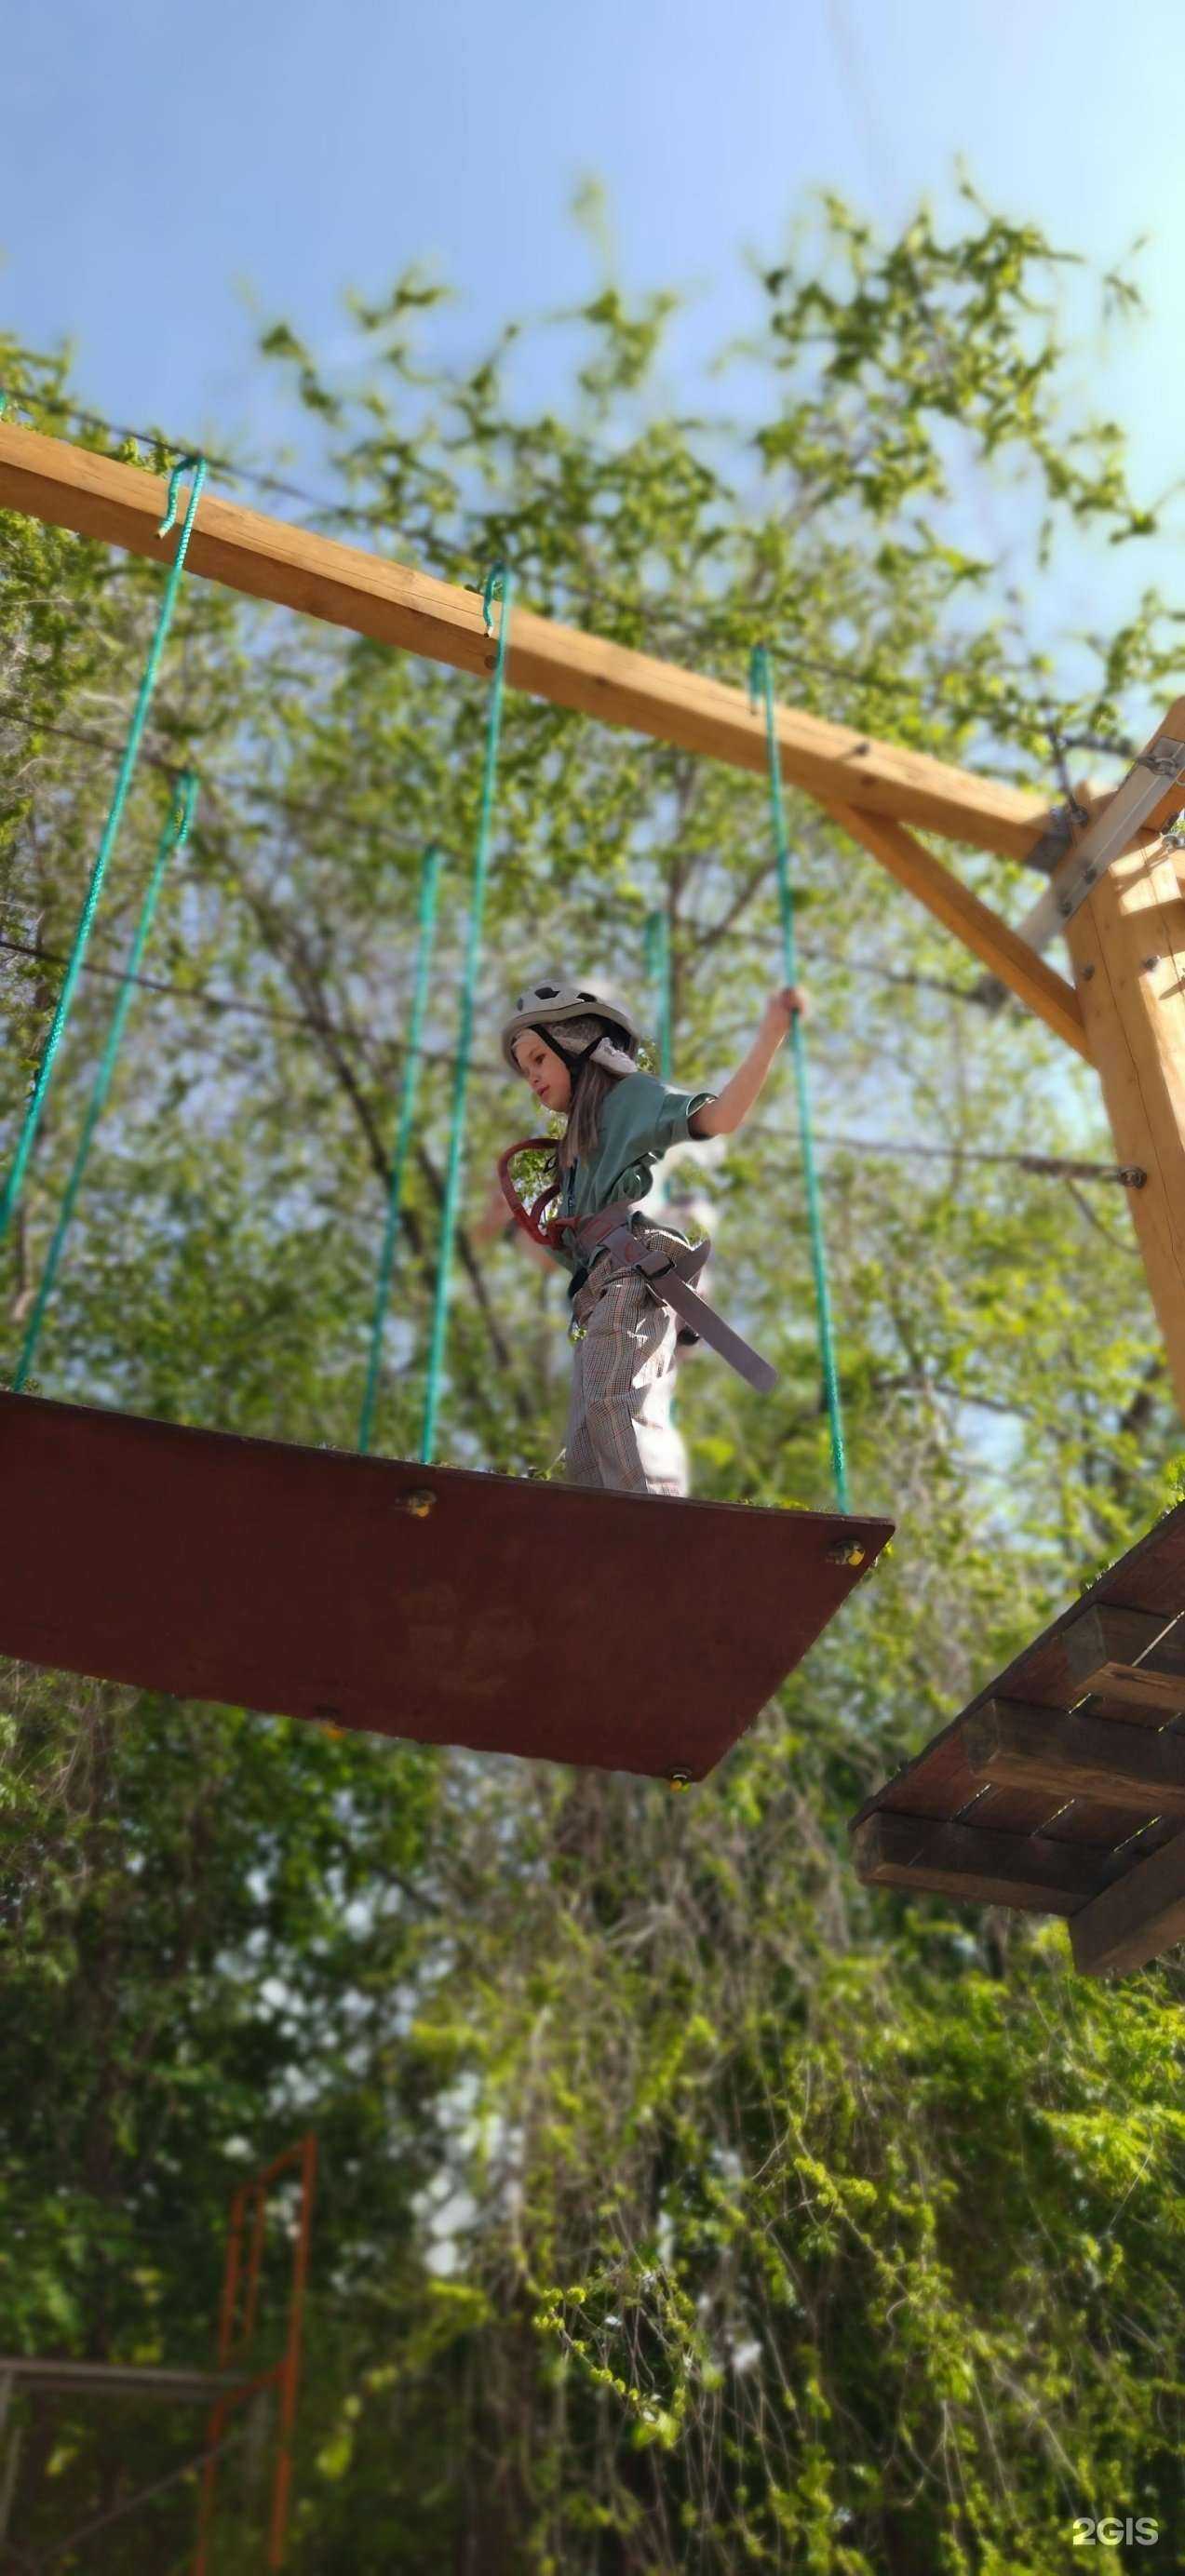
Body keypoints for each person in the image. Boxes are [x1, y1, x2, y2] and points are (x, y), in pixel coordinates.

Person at [476, 978, 808, 1500]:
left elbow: (721, 1117)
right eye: (525, 1069)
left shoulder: (629, 1098)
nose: (532, 1076)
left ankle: (656, 1514)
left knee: (615, 1400)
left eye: (539, 1058)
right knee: (586, 1438)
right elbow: (567, 1260)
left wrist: (771, 1035)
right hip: (597, 1294)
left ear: (578, 1046)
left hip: (635, 1275)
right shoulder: (577, 1156)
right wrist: (507, 1228)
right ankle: (604, 1531)